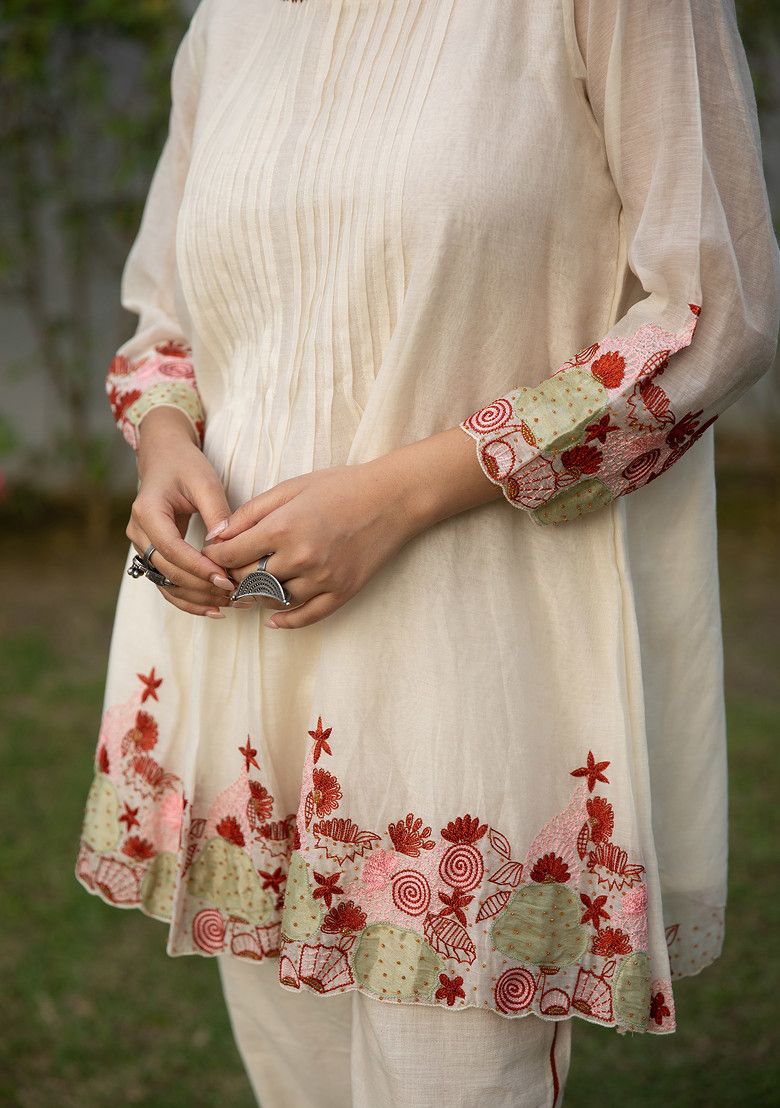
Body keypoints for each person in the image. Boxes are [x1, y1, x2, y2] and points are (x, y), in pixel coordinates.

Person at [73, 0, 780, 1105]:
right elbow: (165, 320)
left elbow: (713, 308)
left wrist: (399, 496)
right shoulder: (235, 17)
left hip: (470, 677)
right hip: (242, 671)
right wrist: (165, 441)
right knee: (295, 1083)